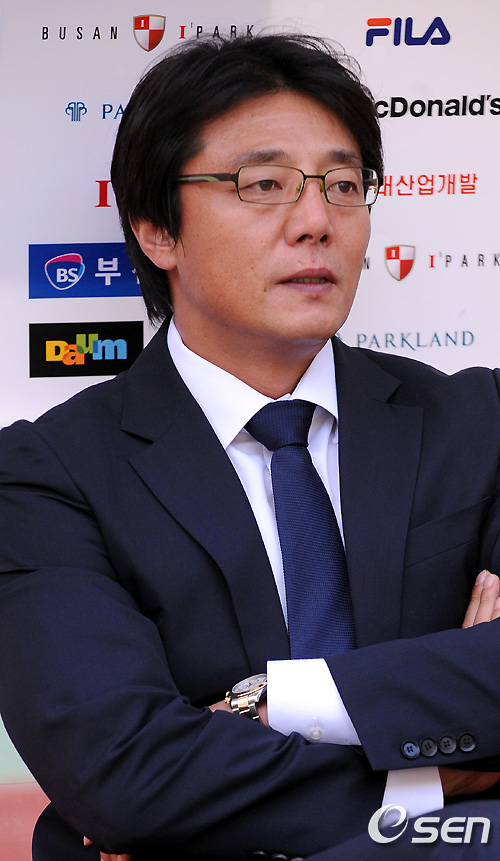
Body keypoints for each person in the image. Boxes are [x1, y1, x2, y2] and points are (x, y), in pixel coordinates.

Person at [1, 32, 500, 861]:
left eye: (344, 185)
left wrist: (274, 702)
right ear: (157, 229)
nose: (316, 222)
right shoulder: (49, 474)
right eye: (263, 185)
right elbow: (124, 774)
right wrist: (427, 771)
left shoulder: (478, 420)